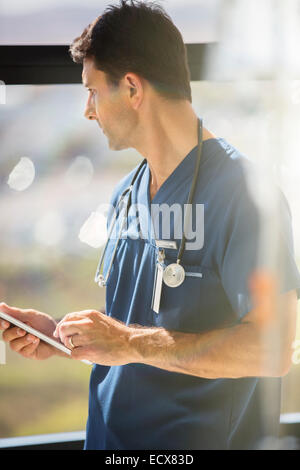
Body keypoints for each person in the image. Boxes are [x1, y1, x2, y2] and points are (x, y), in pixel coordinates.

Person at [1, 0, 300, 450]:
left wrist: (126, 342)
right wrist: (64, 336)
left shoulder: (244, 195)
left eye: (93, 91)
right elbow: (140, 328)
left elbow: (273, 348)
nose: (87, 110)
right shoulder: (127, 192)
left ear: (132, 89)